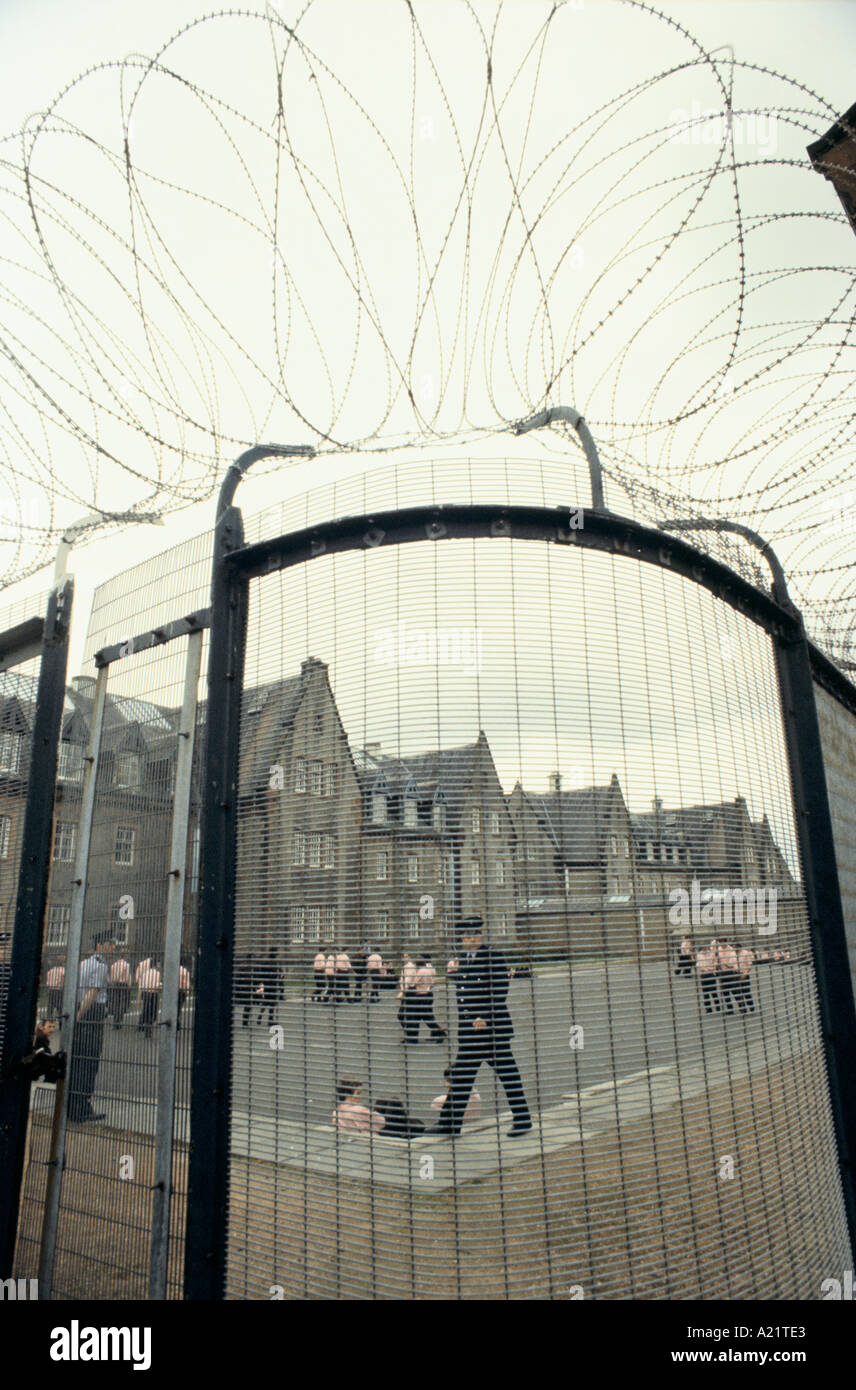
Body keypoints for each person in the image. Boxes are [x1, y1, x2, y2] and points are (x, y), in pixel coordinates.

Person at [427, 918, 531, 1139]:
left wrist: (485, 1015)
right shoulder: (464, 958)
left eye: (474, 935)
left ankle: (522, 1119)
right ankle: (449, 1124)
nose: (471, 939)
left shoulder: (493, 956)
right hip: (470, 1032)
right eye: (466, 936)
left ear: (481, 936)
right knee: (461, 1078)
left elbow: (500, 989)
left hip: (491, 1030)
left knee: (508, 1075)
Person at [67, 931, 117, 1123]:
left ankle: (75, 1105)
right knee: (90, 1061)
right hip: (92, 1013)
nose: (113, 948)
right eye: (110, 944)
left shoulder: (85, 963)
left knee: (79, 1059)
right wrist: (79, 1017)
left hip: (81, 1010)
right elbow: (93, 993)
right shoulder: (102, 966)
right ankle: (82, 1107)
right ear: (101, 945)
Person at [407, 956, 446, 1043]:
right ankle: (438, 1032)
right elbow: (432, 983)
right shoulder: (428, 971)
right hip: (428, 993)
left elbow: (413, 984)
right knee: (427, 1016)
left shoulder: (421, 971)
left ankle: (440, 1032)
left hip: (421, 996)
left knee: (425, 1017)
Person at [256, 949, 282, 1026]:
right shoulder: (275, 964)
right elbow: (279, 973)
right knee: (272, 1003)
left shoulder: (265, 963)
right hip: (273, 984)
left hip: (267, 984)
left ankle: (259, 1017)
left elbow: (261, 973)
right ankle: (270, 1019)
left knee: (265, 1001)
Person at [138, 958, 161, 1039]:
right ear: (155, 964)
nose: (159, 965)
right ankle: (149, 1028)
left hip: (145, 993)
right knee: (153, 1012)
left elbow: (141, 985)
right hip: (153, 993)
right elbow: (157, 985)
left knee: (146, 1010)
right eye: (158, 963)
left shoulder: (145, 973)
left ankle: (143, 1025)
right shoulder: (157, 973)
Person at [695, 940, 720, 1015]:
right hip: (704, 974)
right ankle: (708, 1009)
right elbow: (698, 964)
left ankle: (718, 1007)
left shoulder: (712, 954)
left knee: (714, 992)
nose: (704, 948)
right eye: (703, 947)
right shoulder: (699, 955)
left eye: (705, 947)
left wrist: (714, 968)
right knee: (705, 994)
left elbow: (715, 961)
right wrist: (702, 970)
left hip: (711, 973)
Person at [717, 939, 740, 1015]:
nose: (722, 943)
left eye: (723, 942)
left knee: (735, 991)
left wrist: (725, 964)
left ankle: (741, 1007)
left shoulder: (731, 950)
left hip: (730, 972)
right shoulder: (718, 950)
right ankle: (730, 1009)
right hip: (722, 973)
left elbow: (732, 962)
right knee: (725, 992)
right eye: (721, 942)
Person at [397, 952, 417, 1041]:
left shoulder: (410, 967)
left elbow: (408, 980)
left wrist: (402, 991)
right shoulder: (405, 967)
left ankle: (411, 1036)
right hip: (406, 991)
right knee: (406, 1015)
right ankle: (410, 1035)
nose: (405, 958)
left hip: (409, 991)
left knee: (404, 1015)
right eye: (403, 956)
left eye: (406, 956)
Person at [108, 954, 131, 1029]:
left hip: (114, 984)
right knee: (122, 1002)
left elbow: (111, 976)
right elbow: (127, 977)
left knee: (116, 1003)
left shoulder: (113, 965)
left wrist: (111, 984)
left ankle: (115, 1020)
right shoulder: (126, 965)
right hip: (123, 984)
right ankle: (119, 1020)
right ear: (125, 956)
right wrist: (128, 985)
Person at [736, 943, 756, 1014]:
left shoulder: (745, 953)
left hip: (744, 974)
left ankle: (751, 1007)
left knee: (746, 992)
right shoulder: (733, 954)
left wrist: (745, 974)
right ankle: (742, 1008)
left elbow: (749, 964)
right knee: (737, 993)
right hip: (736, 974)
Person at [177, 962, 190, 1032]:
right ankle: (177, 1023)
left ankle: (175, 1022)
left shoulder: (173, 970)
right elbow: (186, 983)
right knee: (178, 1007)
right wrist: (187, 991)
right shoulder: (185, 971)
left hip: (174, 990)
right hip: (181, 991)